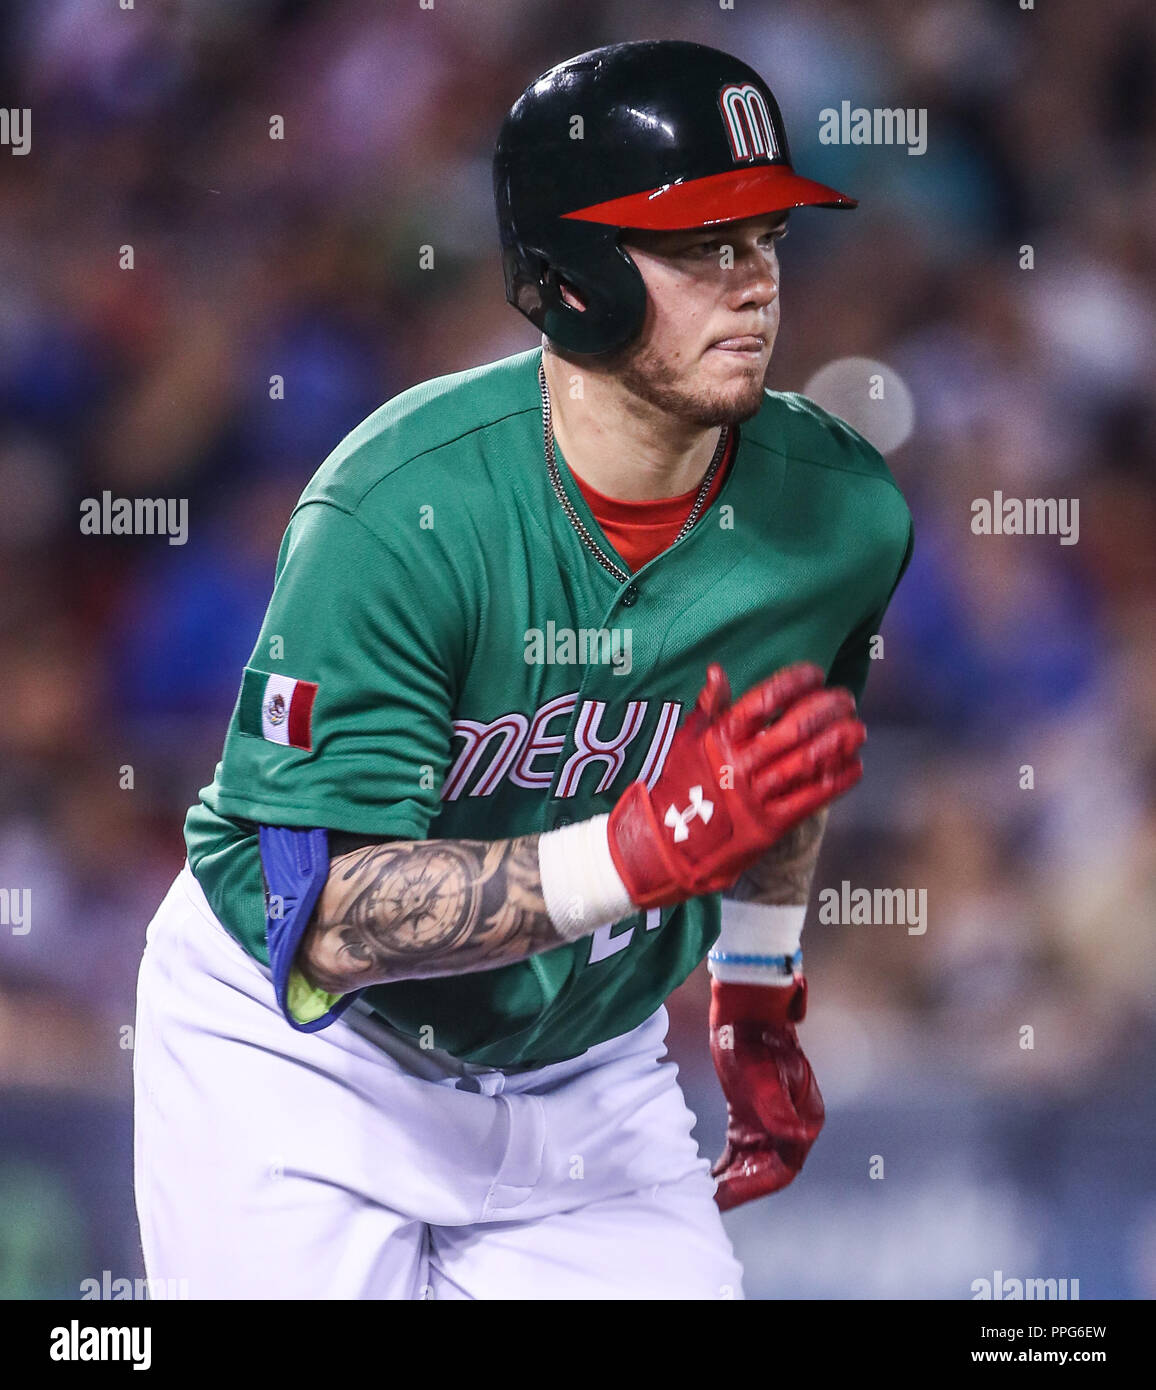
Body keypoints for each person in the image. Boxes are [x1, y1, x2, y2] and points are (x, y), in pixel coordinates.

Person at [133, 39, 913, 1300]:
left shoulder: (840, 514)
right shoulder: (396, 509)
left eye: (764, 238)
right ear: (568, 279)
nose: (755, 284)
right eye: (701, 247)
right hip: (304, 1055)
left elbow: (777, 768)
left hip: (581, 1071)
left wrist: (755, 989)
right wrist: (637, 855)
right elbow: (322, 919)